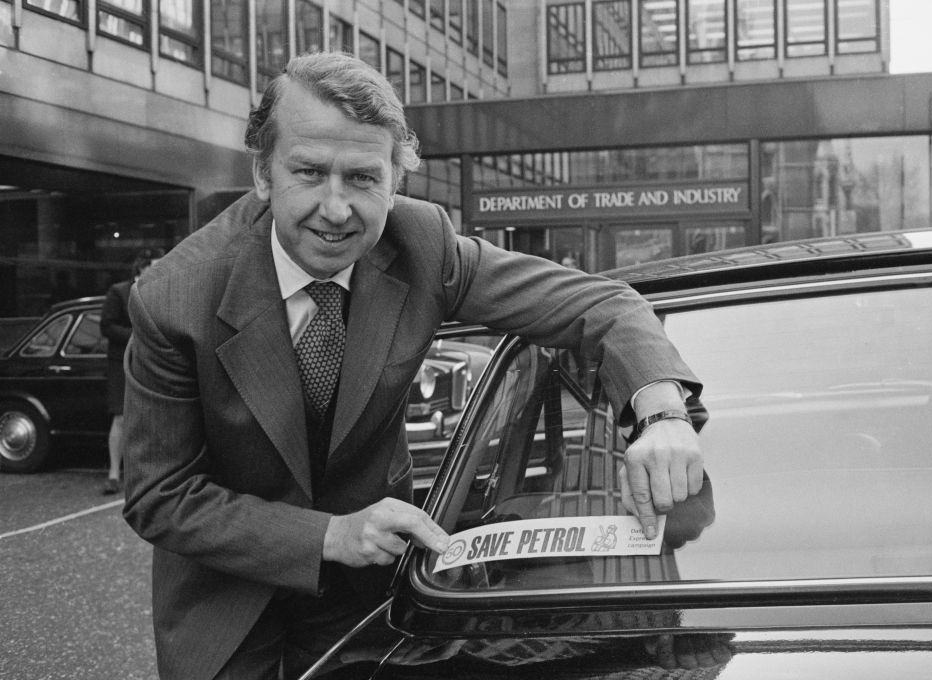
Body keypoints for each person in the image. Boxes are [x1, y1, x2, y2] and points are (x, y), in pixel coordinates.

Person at [121, 51, 705, 680]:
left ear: (396, 180)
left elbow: (604, 304)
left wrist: (662, 413)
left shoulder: (422, 244)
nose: (337, 209)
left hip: (371, 601)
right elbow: (160, 494)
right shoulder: (175, 296)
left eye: (364, 178)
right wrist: (331, 535)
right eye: (311, 173)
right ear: (263, 174)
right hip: (226, 603)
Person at [98, 249, 160, 495]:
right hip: (121, 362)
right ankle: (114, 474)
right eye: (156, 265)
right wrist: (136, 337)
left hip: (151, 362)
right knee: (121, 417)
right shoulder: (119, 291)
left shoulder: (160, 291)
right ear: (141, 268)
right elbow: (106, 326)